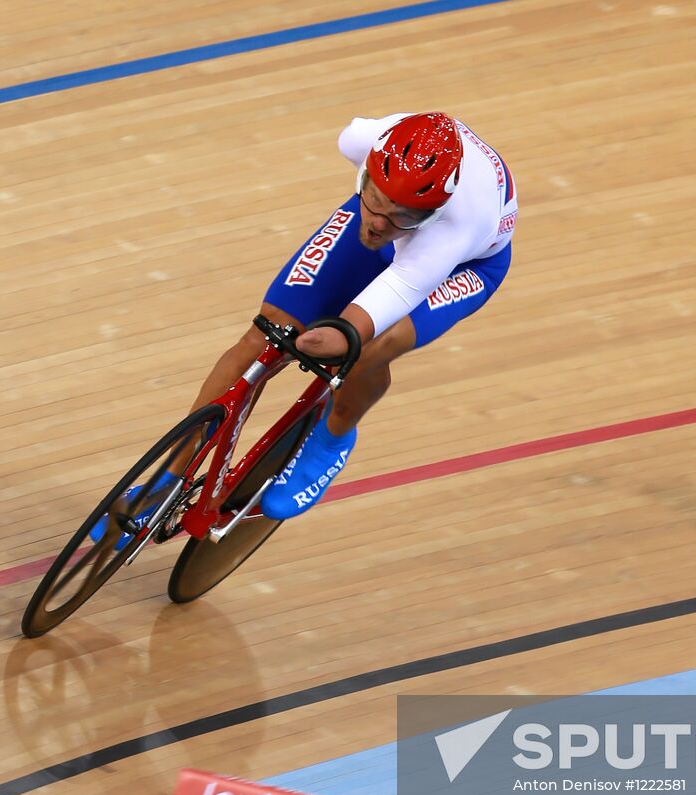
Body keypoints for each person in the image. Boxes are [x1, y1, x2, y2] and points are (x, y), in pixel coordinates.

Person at [94, 111, 517, 546]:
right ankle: (167, 479)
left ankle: (333, 436)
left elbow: (391, 295)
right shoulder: (362, 141)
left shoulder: (454, 230)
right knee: (262, 337)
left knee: (370, 348)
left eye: (400, 215)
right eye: (373, 198)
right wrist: (385, 212)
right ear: (368, 168)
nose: (376, 223)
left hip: (468, 267)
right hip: (403, 215)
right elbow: (381, 211)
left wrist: (342, 336)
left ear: (430, 212)